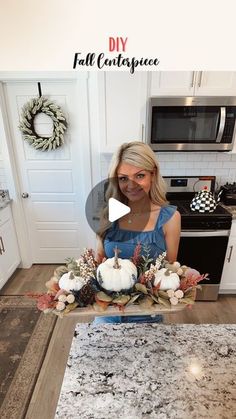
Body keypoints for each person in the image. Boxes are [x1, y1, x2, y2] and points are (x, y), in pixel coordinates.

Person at [94, 141, 181, 324]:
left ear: (153, 174)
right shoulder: (108, 213)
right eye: (123, 178)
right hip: (107, 313)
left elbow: (169, 270)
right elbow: (99, 261)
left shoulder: (170, 218)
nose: (131, 186)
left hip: (148, 314)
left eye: (139, 176)